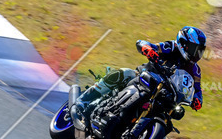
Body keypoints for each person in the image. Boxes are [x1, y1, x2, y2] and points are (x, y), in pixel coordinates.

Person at [72, 27, 206, 121]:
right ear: (184, 43)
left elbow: (197, 89)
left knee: (169, 117)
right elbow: (146, 44)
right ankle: (85, 99)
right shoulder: (172, 47)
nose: (196, 54)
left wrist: (197, 100)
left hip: (165, 94)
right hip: (143, 77)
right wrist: (148, 49)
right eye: (195, 49)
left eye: (199, 51)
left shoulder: (195, 70)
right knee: (125, 73)